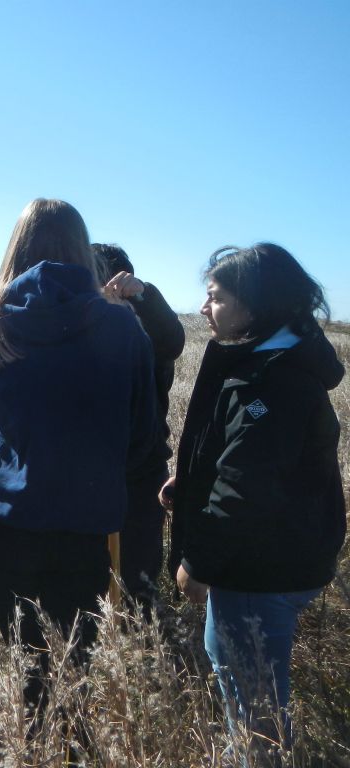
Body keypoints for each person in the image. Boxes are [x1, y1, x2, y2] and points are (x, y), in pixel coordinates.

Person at [0, 199, 157, 711]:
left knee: (25, 670)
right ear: (81, 249)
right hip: (81, 525)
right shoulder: (122, 328)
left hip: (0, 522)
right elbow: (141, 437)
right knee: (76, 676)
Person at [163, 244, 345, 763]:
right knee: (248, 697)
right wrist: (191, 483)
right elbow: (257, 461)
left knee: (254, 713)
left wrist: (200, 564)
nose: (204, 308)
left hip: (257, 569)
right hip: (280, 555)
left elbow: (248, 486)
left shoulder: (271, 376)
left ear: (255, 306)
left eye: (216, 297)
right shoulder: (277, 360)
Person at [93, 243, 185, 608]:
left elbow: (172, 342)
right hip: (89, 468)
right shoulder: (81, 319)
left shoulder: (147, 321)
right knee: (90, 564)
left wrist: (143, 297)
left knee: (139, 566)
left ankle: (141, 643)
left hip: (143, 467)